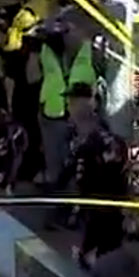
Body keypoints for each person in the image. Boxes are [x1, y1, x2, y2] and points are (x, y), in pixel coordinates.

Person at [61, 82, 129, 268]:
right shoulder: (74, 134)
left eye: (73, 101)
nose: (69, 106)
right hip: (87, 212)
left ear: (87, 103)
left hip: (104, 213)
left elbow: (114, 177)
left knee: (103, 262)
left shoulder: (103, 138)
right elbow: (72, 171)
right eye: (69, 102)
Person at [29, 16, 97, 195]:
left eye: (69, 29)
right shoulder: (47, 48)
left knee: (79, 165)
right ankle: (57, 196)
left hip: (82, 116)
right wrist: (34, 50)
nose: (66, 35)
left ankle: (75, 197)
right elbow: (32, 77)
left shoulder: (94, 50)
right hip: (52, 112)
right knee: (55, 165)